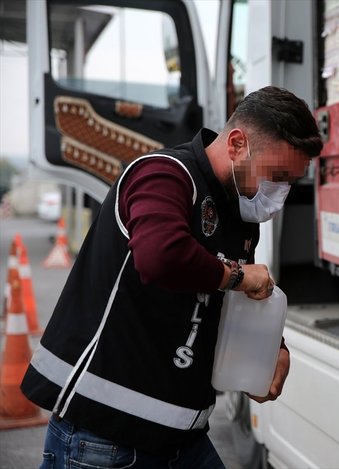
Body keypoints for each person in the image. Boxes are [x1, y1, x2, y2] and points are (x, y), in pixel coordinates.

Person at [21, 86, 323, 468]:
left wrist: (273, 351)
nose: (278, 194)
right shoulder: (163, 174)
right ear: (235, 144)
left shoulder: (238, 214)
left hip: (181, 437)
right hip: (106, 438)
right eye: (276, 176)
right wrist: (238, 276)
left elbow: (237, 298)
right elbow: (160, 256)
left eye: (289, 183)